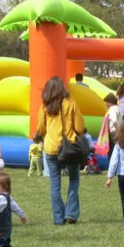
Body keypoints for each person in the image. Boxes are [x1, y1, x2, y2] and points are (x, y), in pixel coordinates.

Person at [36, 76, 85, 225]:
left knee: (55, 184)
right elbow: (80, 127)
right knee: (74, 179)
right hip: (69, 147)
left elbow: (41, 128)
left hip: (51, 148)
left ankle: (58, 218)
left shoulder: (44, 107)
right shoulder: (70, 103)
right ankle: (70, 214)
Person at [102, 93, 120, 161]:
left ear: (110, 102)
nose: (106, 104)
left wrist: (119, 129)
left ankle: (112, 168)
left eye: (106, 102)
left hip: (113, 132)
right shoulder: (117, 108)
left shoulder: (112, 109)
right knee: (114, 151)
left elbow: (114, 119)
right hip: (115, 131)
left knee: (112, 151)